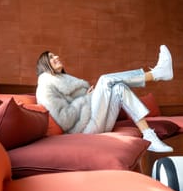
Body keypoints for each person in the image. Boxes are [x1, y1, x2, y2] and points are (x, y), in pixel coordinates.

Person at [36, 45, 174, 152]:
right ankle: (157, 74)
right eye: (51, 57)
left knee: (119, 87)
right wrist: (87, 98)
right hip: (83, 131)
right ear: (44, 64)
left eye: (55, 55)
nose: (57, 56)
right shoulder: (44, 86)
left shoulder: (63, 80)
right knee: (105, 79)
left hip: (95, 123)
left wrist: (88, 97)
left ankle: (149, 136)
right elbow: (65, 119)